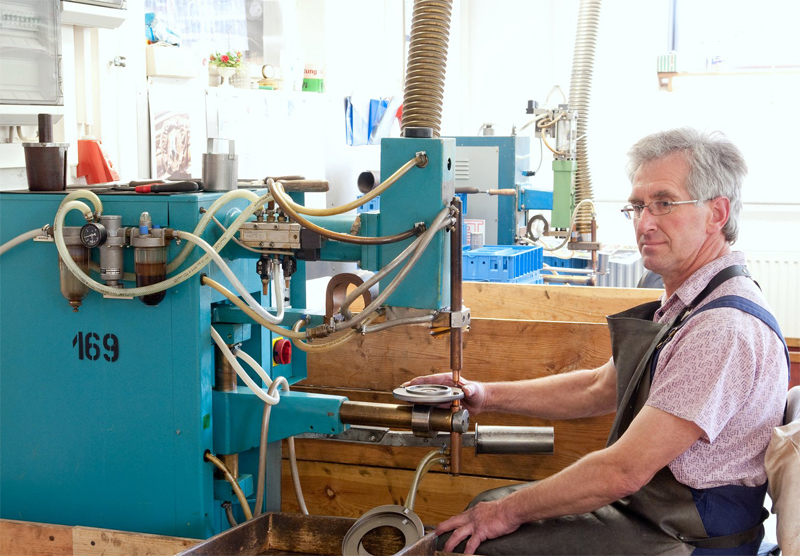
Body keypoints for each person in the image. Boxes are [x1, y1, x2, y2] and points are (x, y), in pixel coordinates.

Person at [406, 128, 790, 555]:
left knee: (475, 542)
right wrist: (485, 395)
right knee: (485, 508)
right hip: (652, 513)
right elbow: (597, 388)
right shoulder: (688, 303)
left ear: (716, 213)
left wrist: (506, 513)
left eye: (664, 203)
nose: (645, 223)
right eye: (638, 206)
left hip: (692, 540)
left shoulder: (721, 328)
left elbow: (624, 471)